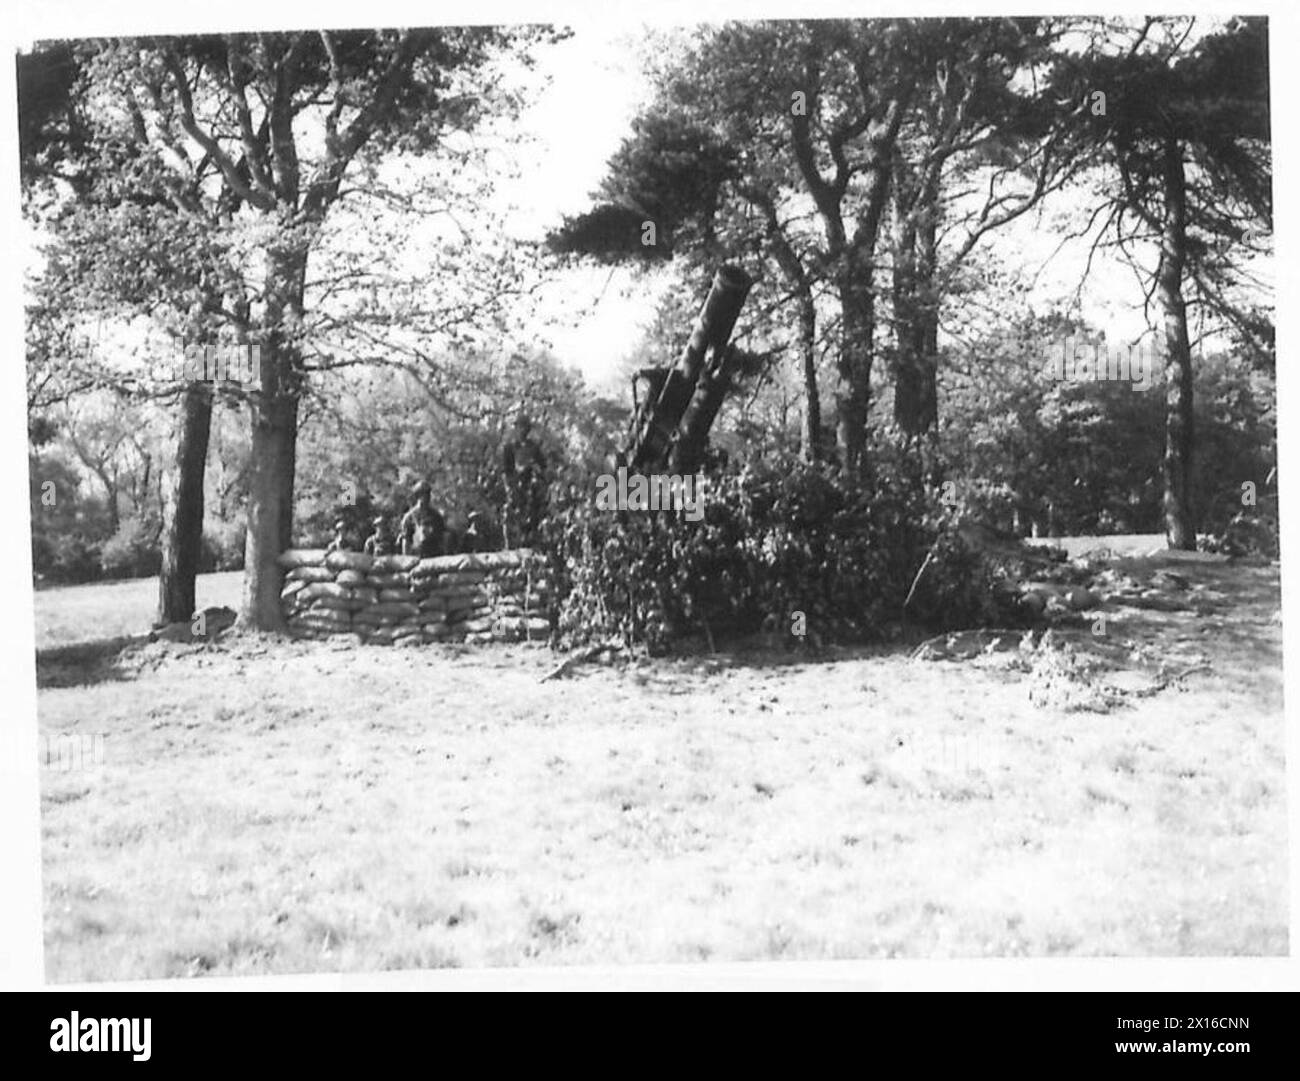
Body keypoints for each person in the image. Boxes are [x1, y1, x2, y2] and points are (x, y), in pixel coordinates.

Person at [502, 411, 549, 547]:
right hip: (515, 485)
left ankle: (535, 538)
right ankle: (511, 543)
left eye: (524, 427)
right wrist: (510, 487)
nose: (522, 430)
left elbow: (543, 467)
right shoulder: (509, 447)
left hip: (531, 484)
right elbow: (506, 470)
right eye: (519, 427)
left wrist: (534, 468)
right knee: (511, 513)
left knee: (537, 509)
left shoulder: (534, 447)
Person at [399, 480, 446, 557]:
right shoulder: (409, 517)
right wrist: (406, 560)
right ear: (418, 495)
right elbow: (406, 542)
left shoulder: (436, 516)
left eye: (428, 493)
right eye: (424, 493)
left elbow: (442, 540)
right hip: (417, 557)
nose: (427, 496)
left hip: (434, 556)